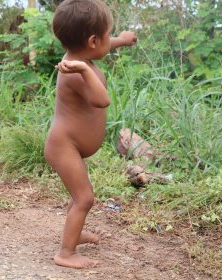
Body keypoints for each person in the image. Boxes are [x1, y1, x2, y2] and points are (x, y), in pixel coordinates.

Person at [44, 0, 137, 269]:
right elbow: (101, 100)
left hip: (69, 145)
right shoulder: (75, 70)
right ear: (93, 41)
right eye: (110, 34)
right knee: (84, 198)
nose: (112, 39)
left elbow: (103, 47)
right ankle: (66, 252)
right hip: (63, 146)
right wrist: (85, 71)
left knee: (81, 197)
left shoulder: (82, 54)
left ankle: (74, 233)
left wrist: (122, 40)